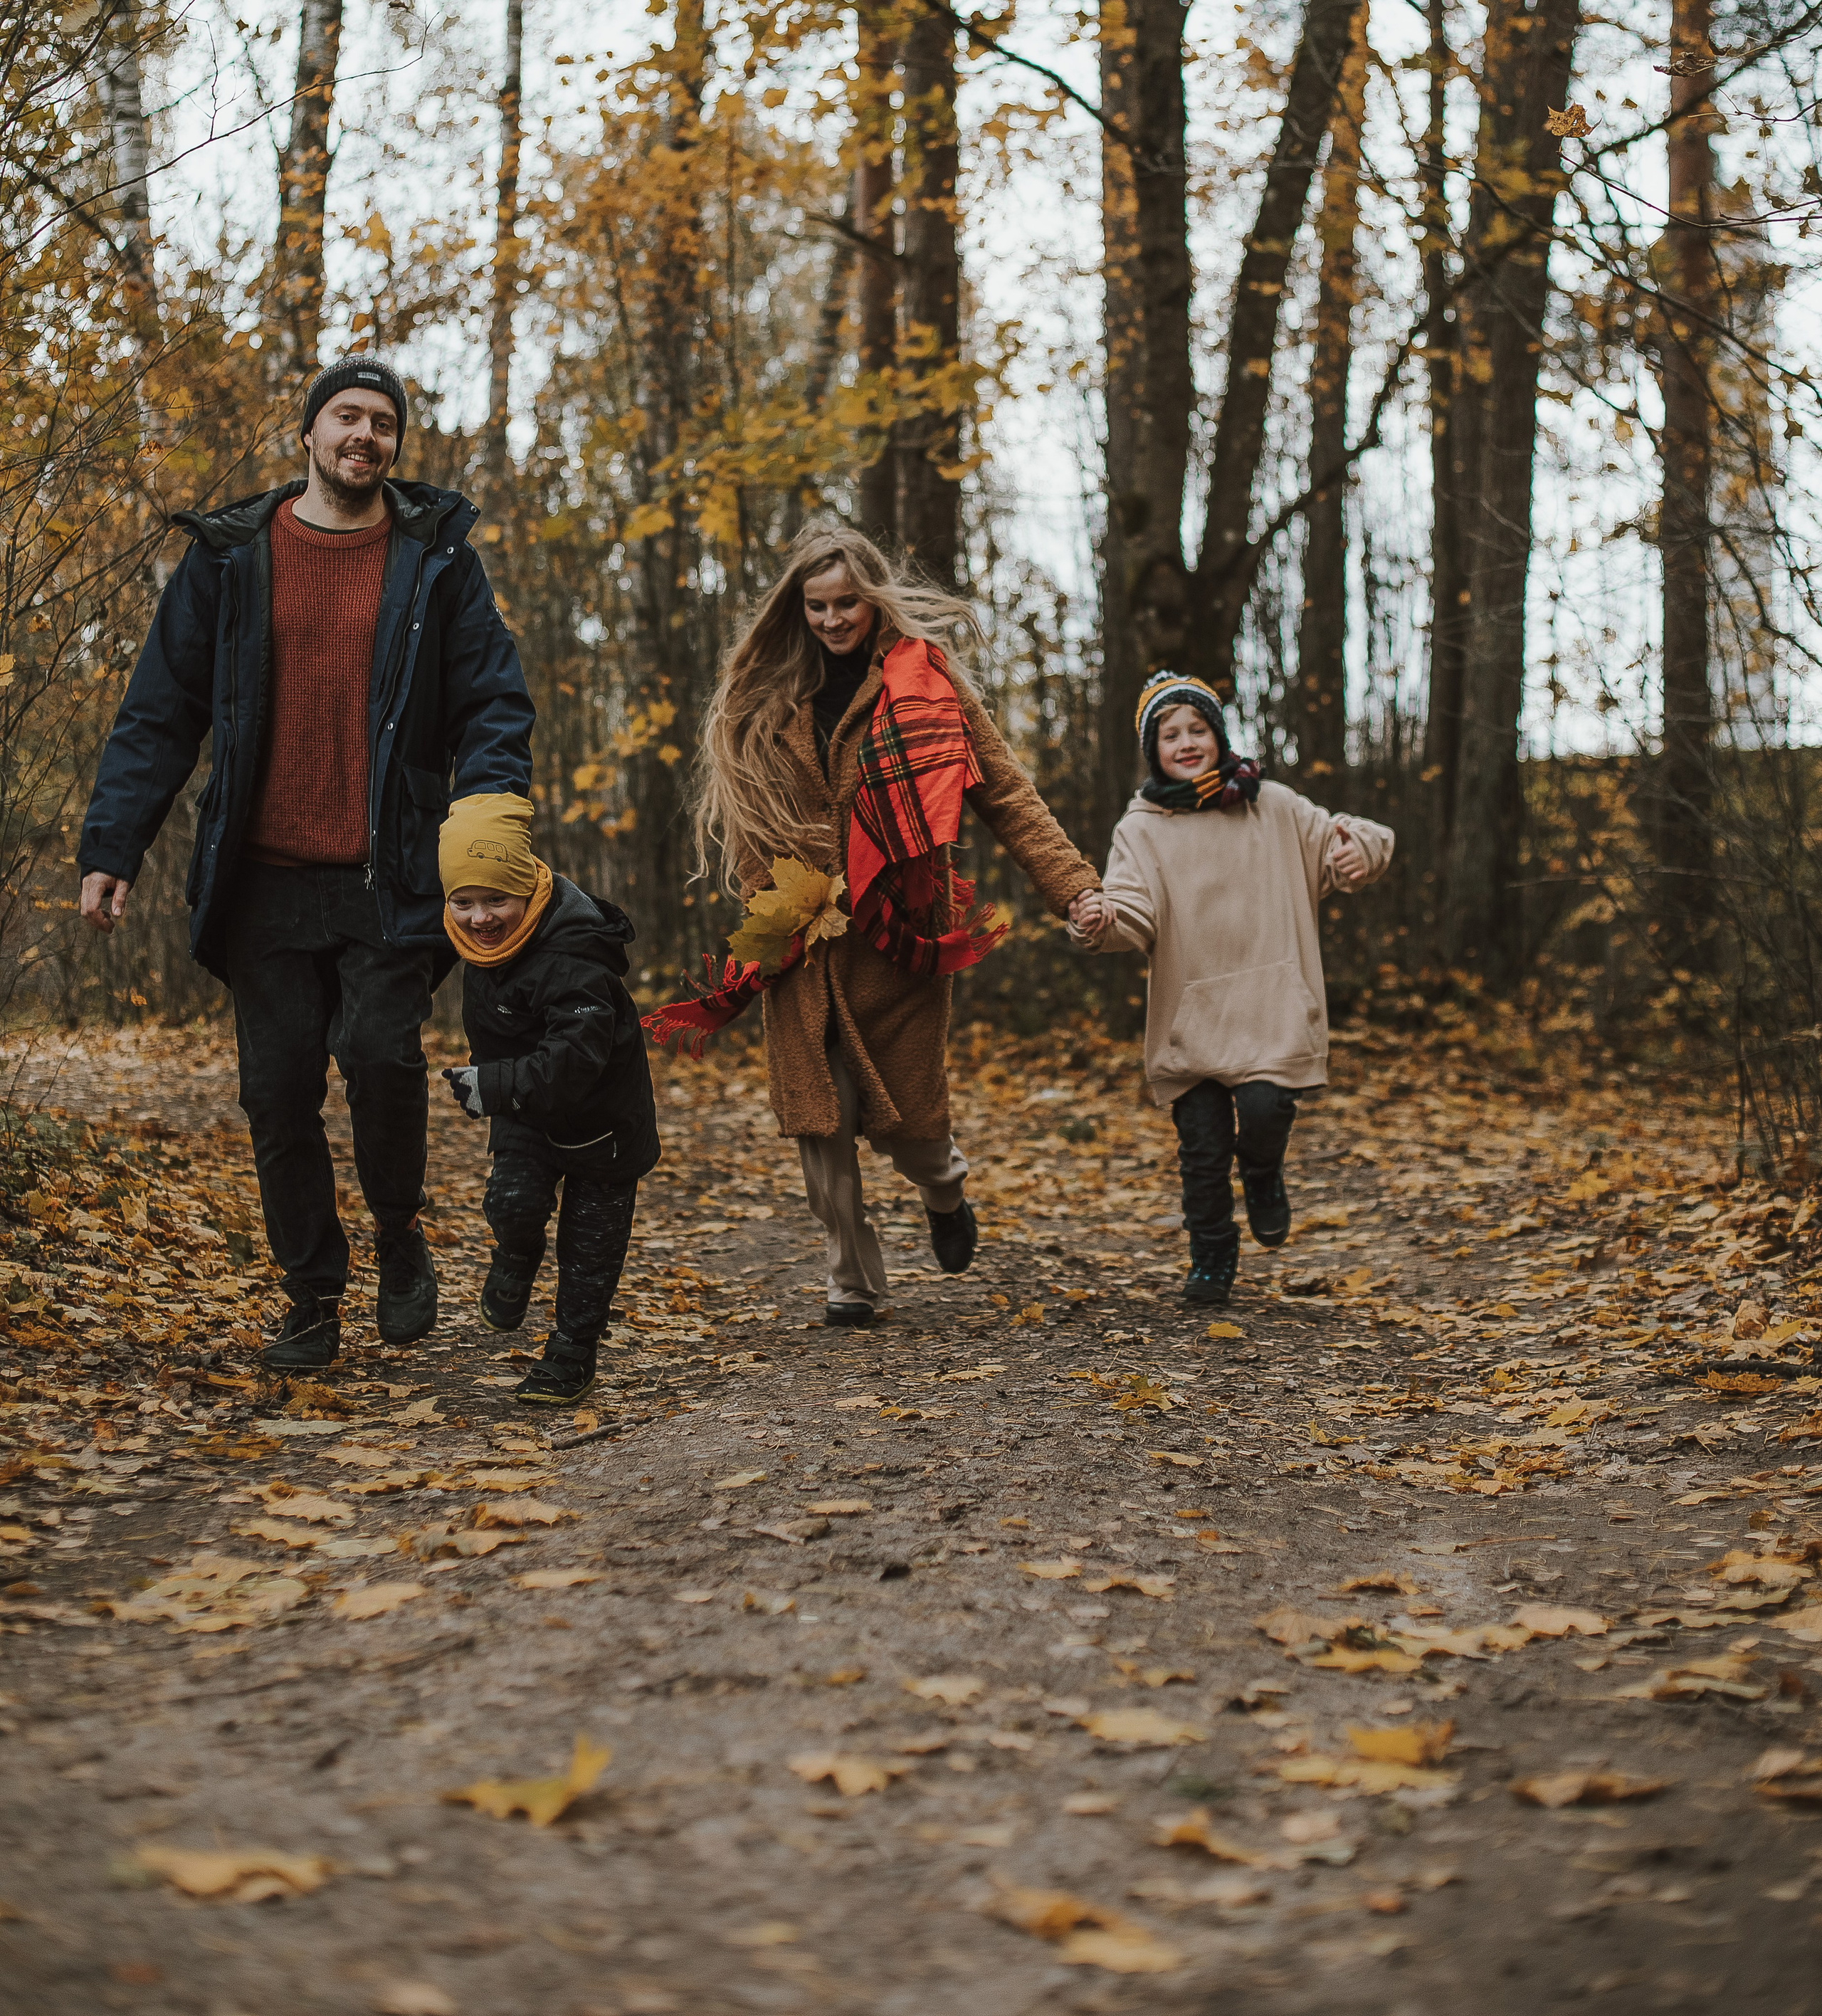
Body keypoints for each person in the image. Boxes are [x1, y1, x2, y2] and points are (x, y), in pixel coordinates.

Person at [75, 357, 536, 1371]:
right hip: (263, 878)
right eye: (346, 417)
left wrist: (485, 829)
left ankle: (398, 1234)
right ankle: (312, 1295)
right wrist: (116, 845)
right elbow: (161, 713)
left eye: (382, 423)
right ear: (311, 433)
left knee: (382, 1057)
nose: (364, 436)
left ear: (396, 445)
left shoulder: (438, 563)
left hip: (390, 871)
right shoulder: (232, 558)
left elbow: (495, 704)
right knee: (277, 1095)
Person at [646, 526, 1101, 1325]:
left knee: (910, 1124)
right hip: (800, 939)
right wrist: (776, 900)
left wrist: (1075, 890)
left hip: (898, 935)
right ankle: (851, 1285)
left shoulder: (924, 685)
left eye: (846, 602)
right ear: (797, 608)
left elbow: (1007, 796)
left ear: (875, 597)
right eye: (816, 605)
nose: (831, 619)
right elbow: (749, 820)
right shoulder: (762, 698)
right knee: (819, 1123)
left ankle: (944, 1187)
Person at [1068, 673, 1394, 1306]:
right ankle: (1213, 1255)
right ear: (1152, 749)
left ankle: (1265, 1172)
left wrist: (1364, 854)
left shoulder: (1270, 805)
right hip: (1191, 1018)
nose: (1187, 743)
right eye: (1171, 735)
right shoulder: (1141, 830)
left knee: (1269, 1110)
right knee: (1203, 1147)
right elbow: (1130, 911)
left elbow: (1347, 839)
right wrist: (1099, 921)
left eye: (1198, 730)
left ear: (1218, 736)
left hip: (1271, 1004)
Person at [437, 794, 659, 1405]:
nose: (480, 918)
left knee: (589, 1252)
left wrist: (493, 1086)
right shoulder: (478, 943)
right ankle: (517, 1250)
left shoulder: (572, 956)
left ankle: (572, 1353)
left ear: (527, 893)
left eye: (495, 900)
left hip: (602, 1126)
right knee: (510, 1202)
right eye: (464, 901)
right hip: (527, 1114)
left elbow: (576, 1060)